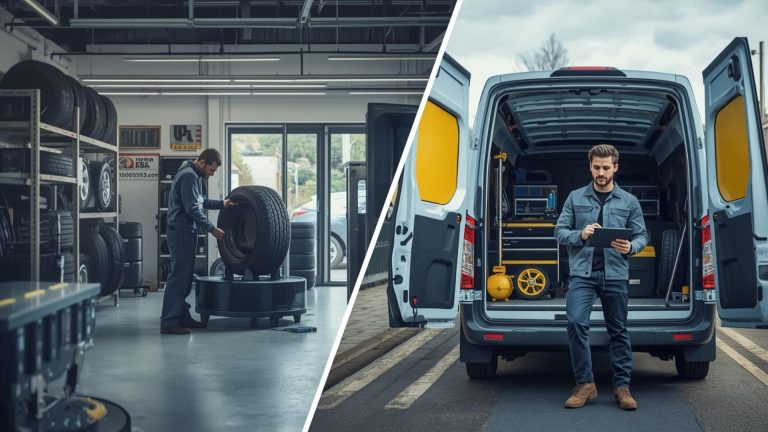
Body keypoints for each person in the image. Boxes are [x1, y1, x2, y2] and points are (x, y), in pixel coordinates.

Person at [554, 144, 648, 410]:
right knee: (575, 323)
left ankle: (622, 387)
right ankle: (586, 384)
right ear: (590, 166)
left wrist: (631, 247)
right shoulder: (575, 197)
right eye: (596, 167)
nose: (601, 173)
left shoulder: (629, 201)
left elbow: (642, 235)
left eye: (606, 167)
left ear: (615, 167)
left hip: (615, 274)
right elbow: (559, 232)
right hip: (582, 275)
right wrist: (580, 234)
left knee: (618, 330)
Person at [160, 149, 235, 334]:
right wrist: (212, 229)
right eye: (211, 170)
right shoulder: (189, 176)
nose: (212, 174)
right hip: (181, 231)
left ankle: (181, 316)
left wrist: (222, 204)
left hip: (186, 230)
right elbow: (192, 209)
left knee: (185, 277)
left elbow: (201, 202)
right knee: (179, 277)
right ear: (202, 163)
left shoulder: (195, 175)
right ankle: (169, 322)